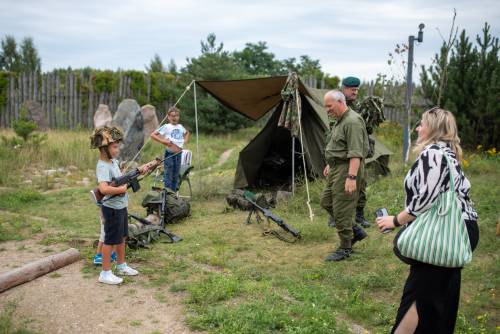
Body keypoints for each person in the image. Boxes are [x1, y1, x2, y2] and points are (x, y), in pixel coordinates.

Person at [376, 108, 479, 333]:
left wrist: (394, 220)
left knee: (419, 294)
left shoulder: (433, 153)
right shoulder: (450, 154)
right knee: (442, 296)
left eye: (421, 124)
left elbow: (424, 200)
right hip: (460, 230)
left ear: (432, 128)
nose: (417, 128)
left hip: (444, 230)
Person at [90, 126, 145, 285]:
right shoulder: (102, 166)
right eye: (114, 146)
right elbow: (103, 189)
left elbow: (119, 178)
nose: (118, 149)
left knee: (122, 237)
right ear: (104, 149)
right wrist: (121, 189)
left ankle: (121, 265)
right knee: (109, 240)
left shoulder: (113, 162)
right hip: (111, 209)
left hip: (121, 206)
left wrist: (139, 171)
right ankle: (105, 273)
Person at [321, 90, 369, 261]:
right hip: (336, 168)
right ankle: (355, 231)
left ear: (340, 102)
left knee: (342, 209)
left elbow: (356, 153)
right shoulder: (340, 121)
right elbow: (341, 146)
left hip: (347, 169)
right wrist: (330, 163)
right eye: (326, 106)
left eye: (329, 106)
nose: (327, 110)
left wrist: (351, 177)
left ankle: (345, 247)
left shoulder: (352, 121)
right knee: (326, 202)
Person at [341, 76, 371, 228]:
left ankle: (359, 215)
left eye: (357, 90)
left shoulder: (357, 106)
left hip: (358, 151)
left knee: (361, 184)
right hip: (343, 152)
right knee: (339, 185)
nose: (355, 92)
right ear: (344, 89)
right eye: (353, 90)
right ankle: (337, 215)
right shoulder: (339, 105)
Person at [151, 107, 190, 191]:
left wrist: (185, 140)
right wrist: (163, 141)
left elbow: (187, 133)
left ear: (178, 117)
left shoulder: (180, 126)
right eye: (172, 116)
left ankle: (174, 195)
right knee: (169, 174)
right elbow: (153, 135)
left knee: (176, 175)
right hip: (170, 154)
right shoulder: (166, 126)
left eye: (176, 116)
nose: (174, 118)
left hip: (179, 154)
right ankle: (168, 194)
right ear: (168, 117)